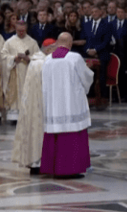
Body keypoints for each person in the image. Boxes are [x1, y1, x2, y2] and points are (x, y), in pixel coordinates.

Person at [41, 32, 94, 178]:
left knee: (55, 134)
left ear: (57, 43)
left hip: (53, 105)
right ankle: (69, 169)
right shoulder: (75, 58)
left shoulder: (47, 60)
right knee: (72, 134)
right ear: (70, 44)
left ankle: (53, 168)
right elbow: (86, 77)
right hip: (71, 104)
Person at [12, 38, 57, 175]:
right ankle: (38, 162)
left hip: (33, 103)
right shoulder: (42, 63)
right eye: (54, 50)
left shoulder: (36, 61)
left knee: (34, 132)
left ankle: (35, 162)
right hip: (39, 103)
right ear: (48, 50)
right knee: (38, 132)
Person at [0, 20, 40, 121]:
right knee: (15, 94)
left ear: (26, 29)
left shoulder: (32, 42)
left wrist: (28, 59)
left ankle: (27, 115)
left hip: (28, 72)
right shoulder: (9, 42)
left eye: (23, 30)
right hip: (14, 72)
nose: (21, 32)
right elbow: (3, 56)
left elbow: (39, 57)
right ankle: (14, 116)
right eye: (18, 30)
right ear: (15, 29)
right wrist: (13, 58)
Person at [82, 5, 111, 98]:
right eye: (93, 12)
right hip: (88, 54)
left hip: (102, 53)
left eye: (96, 12)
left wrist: (95, 50)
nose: (94, 13)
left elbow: (106, 41)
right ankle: (89, 95)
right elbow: (84, 40)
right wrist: (87, 50)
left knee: (101, 75)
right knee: (87, 75)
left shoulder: (106, 25)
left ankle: (102, 96)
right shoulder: (86, 25)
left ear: (100, 13)